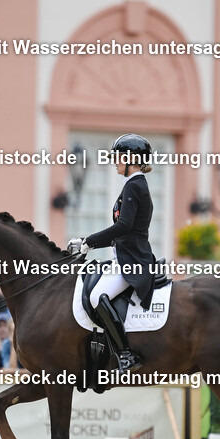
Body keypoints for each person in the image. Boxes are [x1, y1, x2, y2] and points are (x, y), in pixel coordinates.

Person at [67, 134, 157, 372]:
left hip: (133, 262)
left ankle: (126, 354)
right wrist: (89, 244)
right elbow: (123, 232)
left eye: (118, 157)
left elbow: (123, 226)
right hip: (124, 258)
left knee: (97, 297)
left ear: (131, 159)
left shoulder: (134, 185)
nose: (115, 161)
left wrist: (89, 241)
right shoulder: (134, 185)